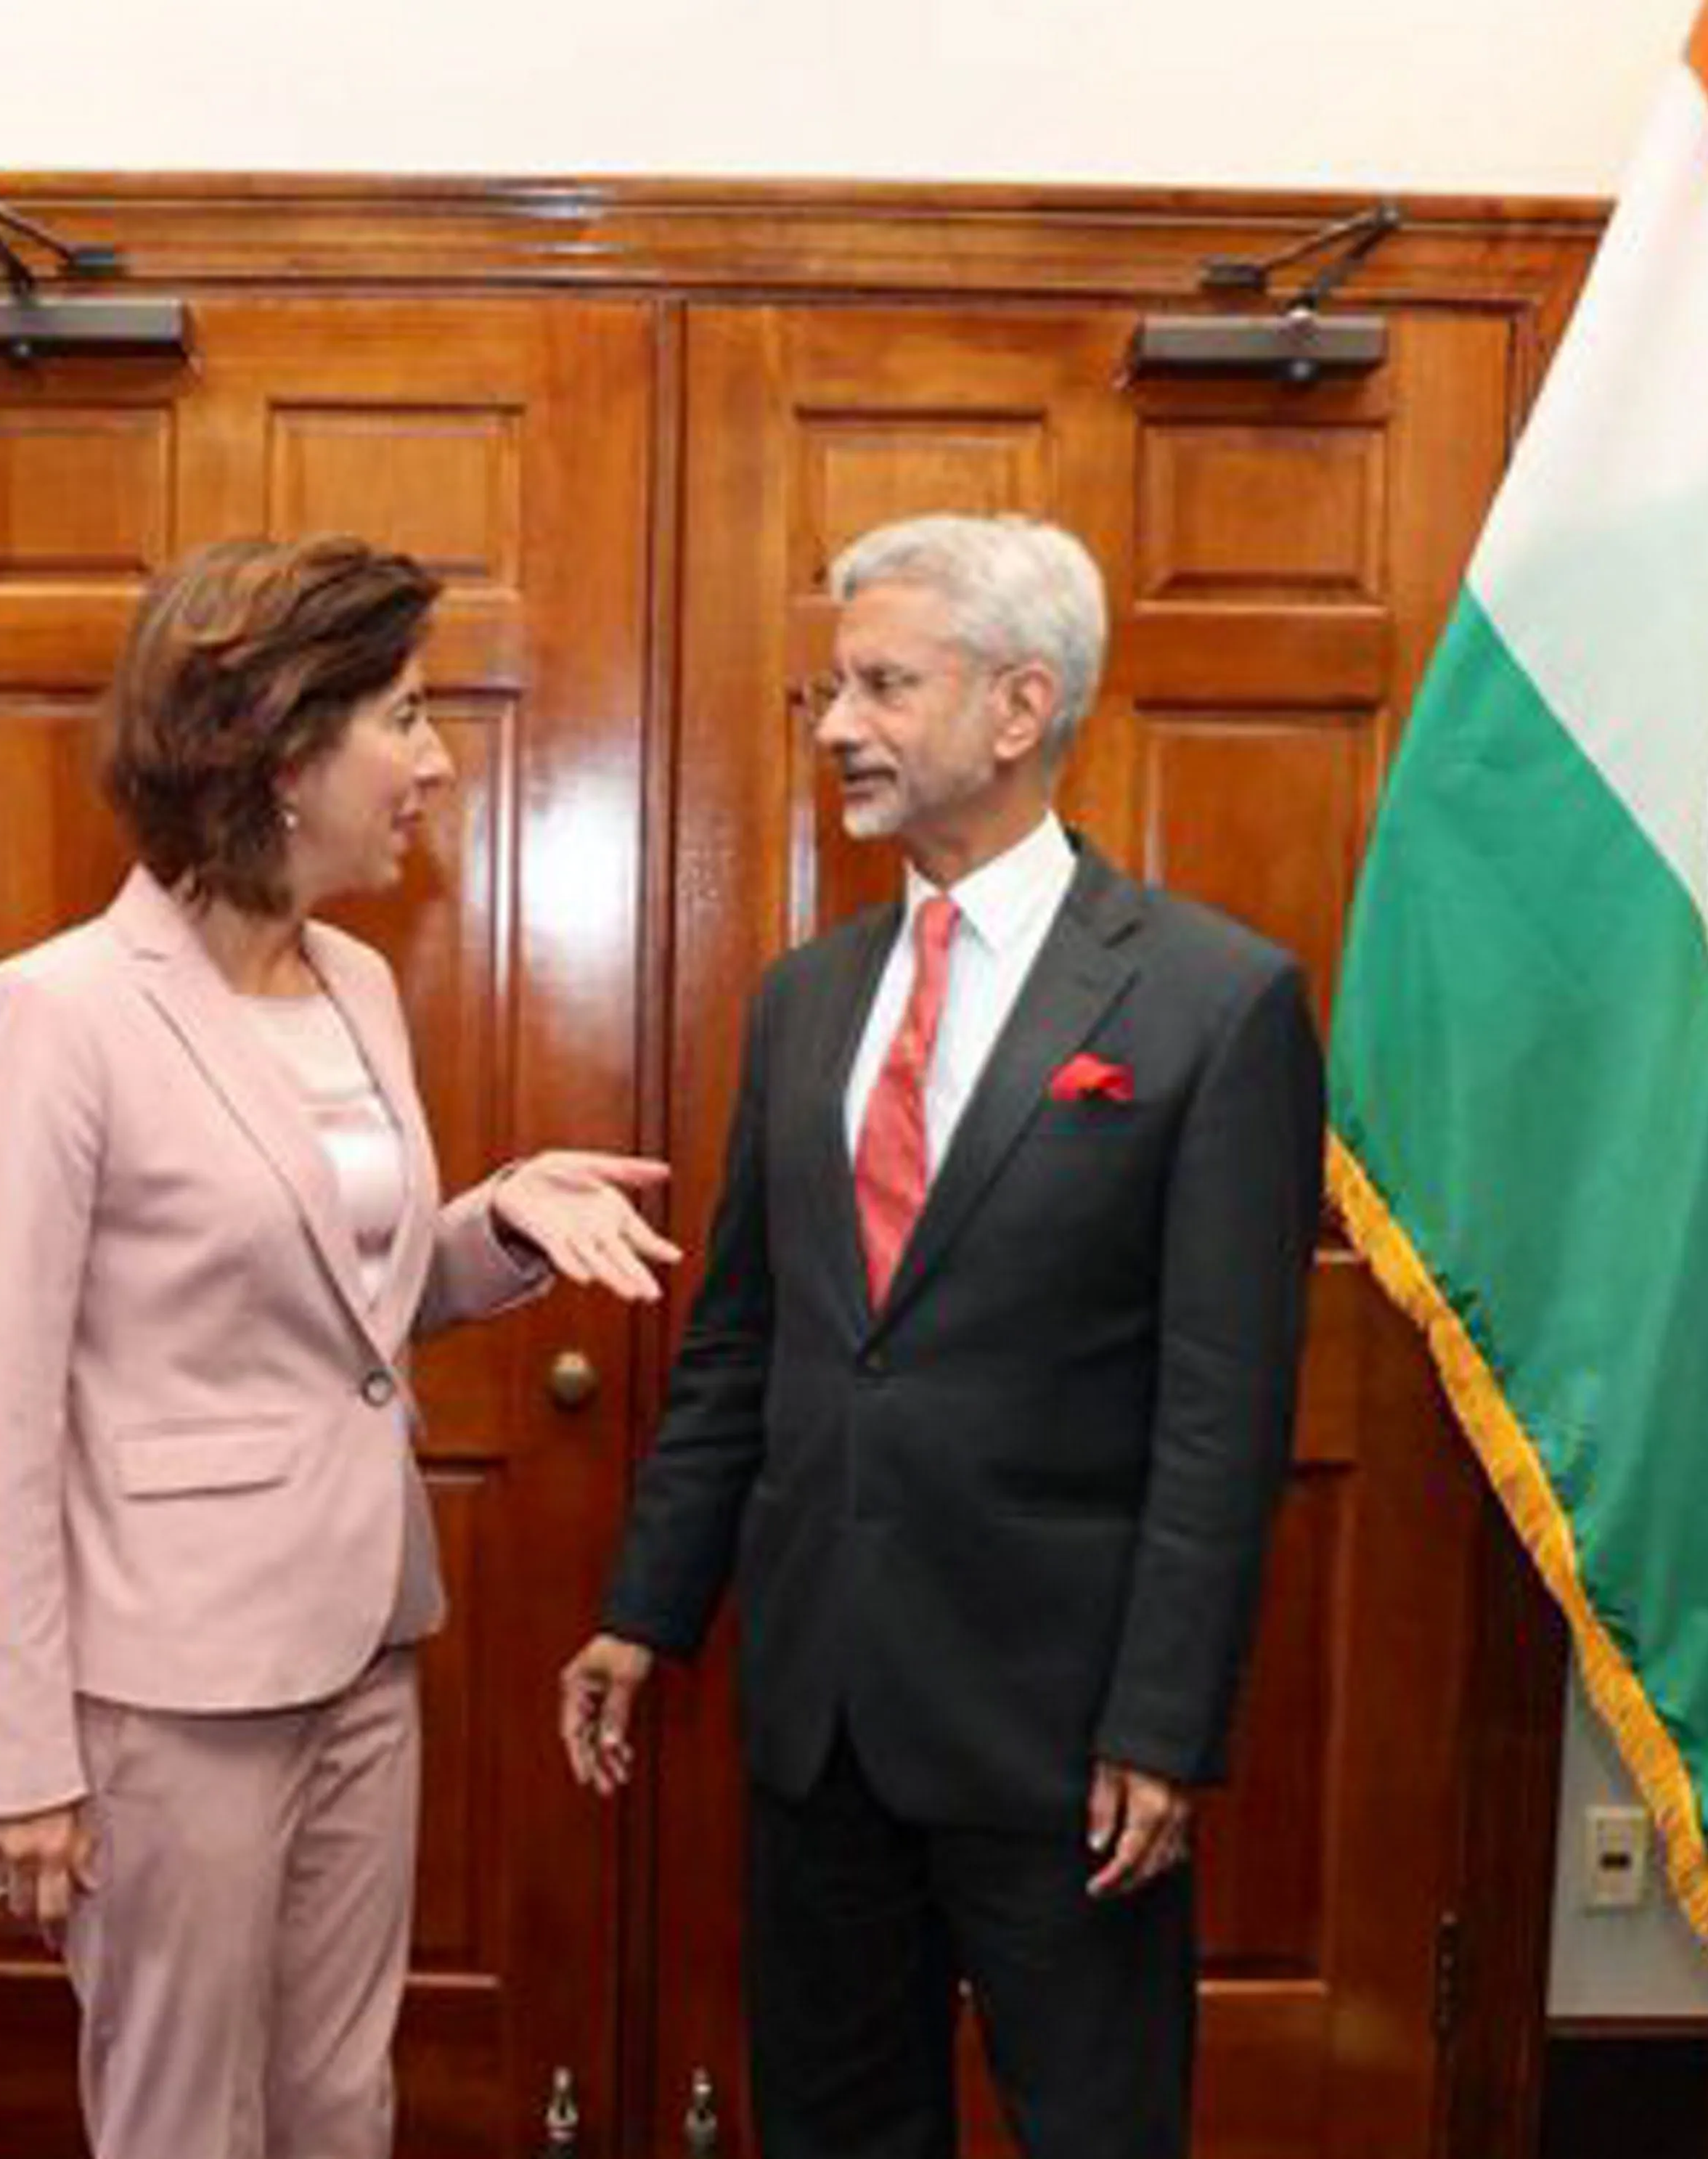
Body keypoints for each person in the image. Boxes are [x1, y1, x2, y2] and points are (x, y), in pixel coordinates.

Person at [560, 513, 1324, 2159]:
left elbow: (1225, 1409)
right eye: (835, 687)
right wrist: (648, 1607)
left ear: (1019, 703)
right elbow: (744, 1342)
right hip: (818, 1711)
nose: (838, 724)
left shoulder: (1213, 1000)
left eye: (883, 683)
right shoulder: (805, 998)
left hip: (1063, 1730)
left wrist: (1163, 1723)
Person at [0, 534, 678, 2159]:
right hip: (166, 1679)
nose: (432, 759)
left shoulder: (352, 979)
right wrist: (13, 1752)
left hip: (365, 1637)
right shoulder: (56, 1013)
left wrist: (495, 1221)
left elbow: (341, 1298)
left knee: (341, 2102)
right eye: (402, 716)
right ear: (284, 750)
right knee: (183, 2119)